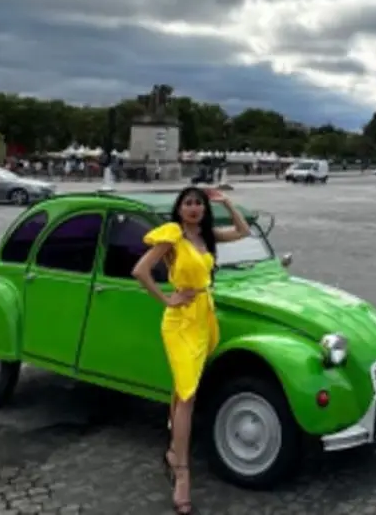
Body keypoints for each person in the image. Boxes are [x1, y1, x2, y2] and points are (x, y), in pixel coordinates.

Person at [131, 186, 251, 514]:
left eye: (199, 203)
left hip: (204, 319)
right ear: (180, 208)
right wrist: (167, 298)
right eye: (188, 203)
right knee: (187, 395)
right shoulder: (173, 235)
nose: (194, 208)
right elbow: (140, 271)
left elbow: (244, 231)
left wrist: (226, 202)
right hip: (180, 321)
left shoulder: (207, 236)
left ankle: (173, 450)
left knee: (183, 387)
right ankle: (182, 473)